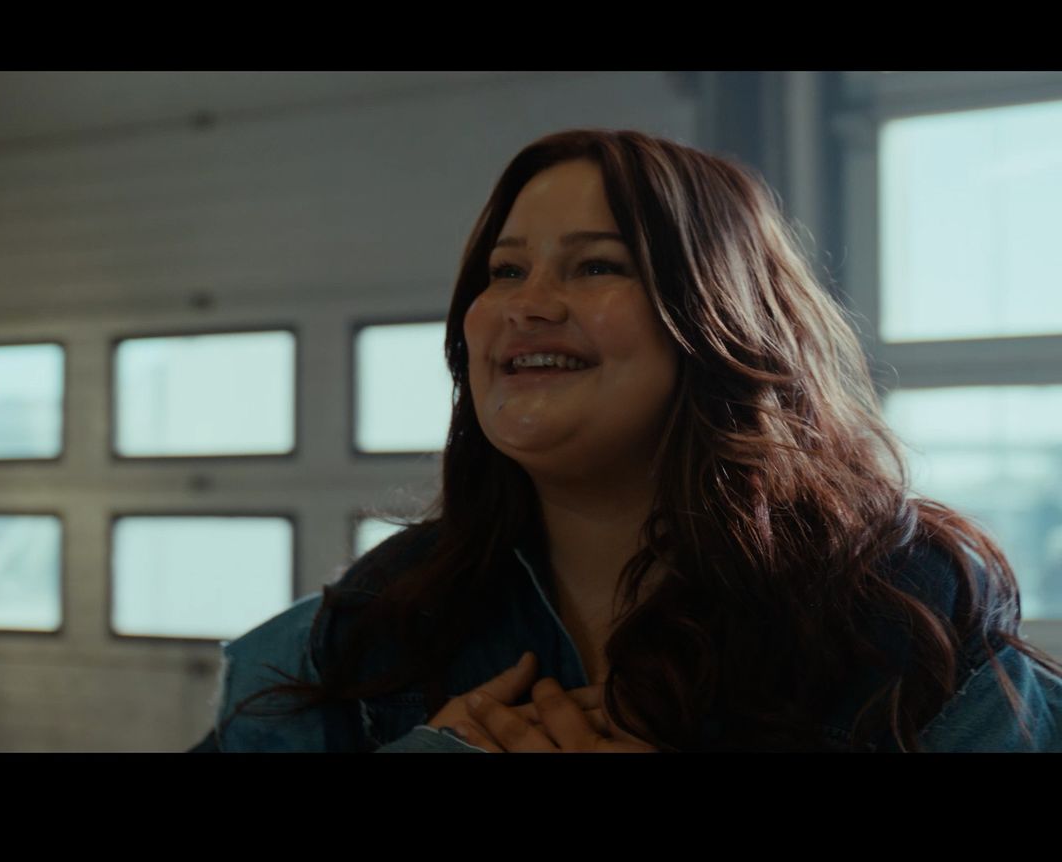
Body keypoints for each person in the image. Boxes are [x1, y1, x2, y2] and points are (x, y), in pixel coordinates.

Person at [200, 129, 1062, 752]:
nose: (526, 304)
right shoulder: (360, 628)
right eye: (505, 271)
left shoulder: (905, 615)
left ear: (722, 321)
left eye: (596, 265)